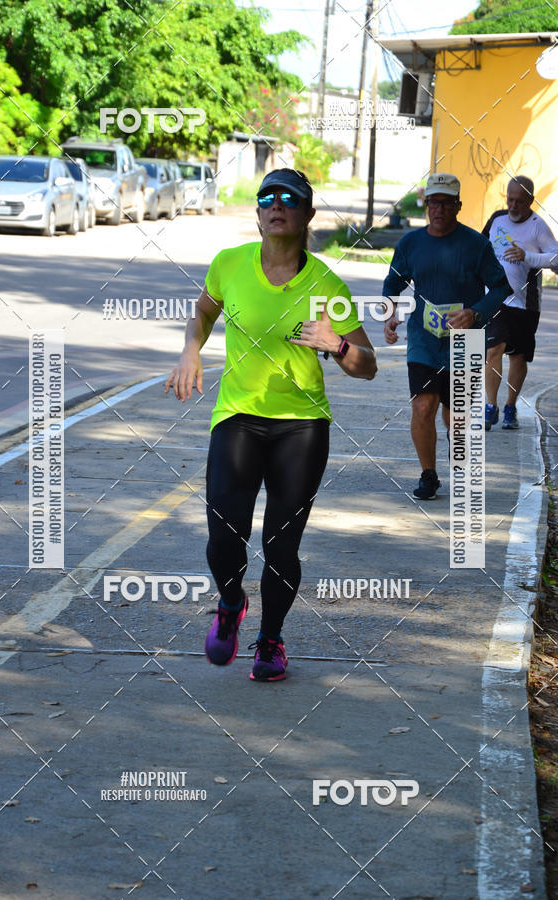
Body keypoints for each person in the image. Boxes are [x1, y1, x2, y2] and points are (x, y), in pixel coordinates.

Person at [165, 168, 377, 681]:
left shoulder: (327, 284)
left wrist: (338, 345)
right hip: (237, 417)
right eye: (267, 197)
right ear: (258, 213)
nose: (276, 204)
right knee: (222, 536)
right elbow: (203, 313)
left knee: (280, 544)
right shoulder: (229, 264)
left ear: (307, 214)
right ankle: (232, 601)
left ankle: (271, 640)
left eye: (290, 198)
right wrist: (191, 350)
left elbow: (367, 364)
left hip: (301, 426)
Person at [382, 172, 511, 500]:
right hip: (424, 340)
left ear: (458, 206)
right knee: (423, 407)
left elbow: (501, 287)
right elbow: (393, 283)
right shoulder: (411, 243)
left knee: (456, 415)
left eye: (445, 203)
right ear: (426, 205)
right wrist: (389, 312)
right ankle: (428, 475)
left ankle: (461, 466)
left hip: (465, 341)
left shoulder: (476, 245)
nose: (438, 209)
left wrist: (474, 313)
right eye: (432, 202)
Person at [483, 176, 558, 430]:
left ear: (531, 201)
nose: (513, 206)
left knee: (518, 357)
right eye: (510, 199)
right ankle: (490, 406)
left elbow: (556, 260)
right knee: (493, 350)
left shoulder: (538, 227)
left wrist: (528, 257)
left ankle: (510, 406)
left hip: (525, 305)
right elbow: (480, 248)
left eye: (519, 202)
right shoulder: (496, 219)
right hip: (496, 300)